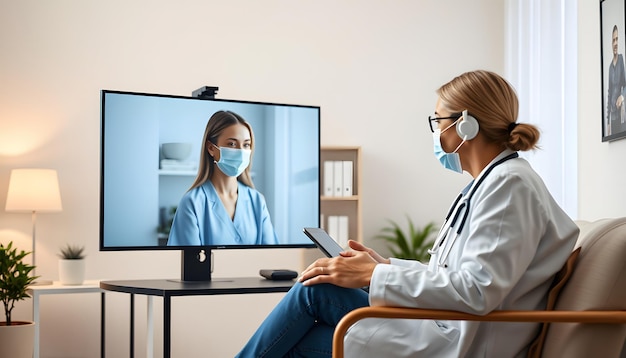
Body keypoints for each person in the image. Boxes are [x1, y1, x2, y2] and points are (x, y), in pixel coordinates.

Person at [236, 70, 579, 357]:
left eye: (438, 121)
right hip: (441, 324)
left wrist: (374, 275)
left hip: (459, 342)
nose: (435, 131)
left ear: (465, 126)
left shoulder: (510, 187)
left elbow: (477, 291)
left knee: (314, 291)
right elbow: (455, 274)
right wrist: (384, 266)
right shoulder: (494, 183)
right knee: (306, 325)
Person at [167, 110, 279, 246]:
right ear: (211, 148)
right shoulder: (192, 203)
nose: (241, 152)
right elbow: (187, 263)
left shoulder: (257, 201)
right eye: (232, 144)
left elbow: (272, 257)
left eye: (246, 145)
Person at [607, 25, 626, 136]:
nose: (615, 43)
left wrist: (622, 96)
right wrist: (608, 122)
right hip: (613, 116)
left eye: (617, 39)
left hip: (621, 114)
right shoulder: (610, 67)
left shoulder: (621, 60)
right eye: (613, 40)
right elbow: (609, 94)